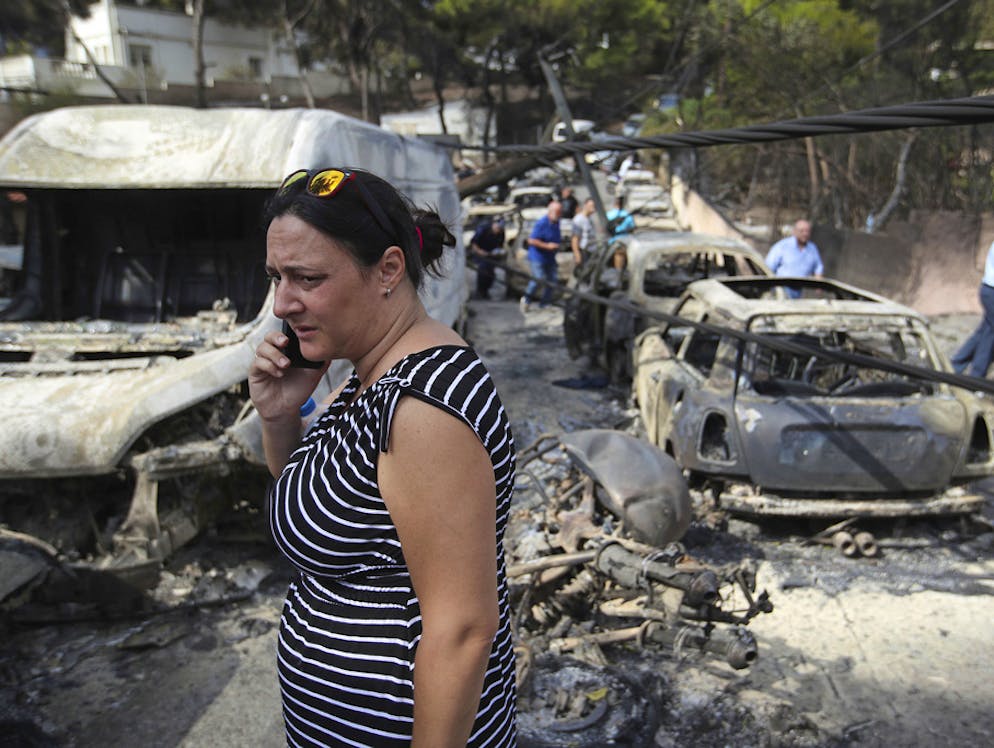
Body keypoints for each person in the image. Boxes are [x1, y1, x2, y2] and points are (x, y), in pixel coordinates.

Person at [249, 167, 518, 747]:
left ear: (389, 270)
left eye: (306, 278)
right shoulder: (370, 374)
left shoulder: (421, 406)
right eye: (276, 276)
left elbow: (464, 628)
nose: (281, 303)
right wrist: (279, 415)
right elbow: (326, 506)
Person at [951, 239, 994, 378]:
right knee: (990, 335)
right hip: (992, 291)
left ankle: (955, 366)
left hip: (988, 290)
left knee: (984, 332)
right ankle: (976, 377)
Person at [765, 219, 823, 298]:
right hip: (781, 289)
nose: (805, 234)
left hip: (798, 290)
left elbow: (818, 267)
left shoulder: (812, 249)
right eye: (802, 231)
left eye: (807, 231)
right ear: (794, 231)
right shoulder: (783, 246)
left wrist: (818, 284)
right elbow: (769, 267)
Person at [521, 199, 562, 311]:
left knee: (552, 280)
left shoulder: (556, 223)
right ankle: (526, 300)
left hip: (550, 257)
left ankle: (545, 303)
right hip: (538, 257)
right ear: (551, 211)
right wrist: (547, 246)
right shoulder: (542, 223)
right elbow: (531, 240)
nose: (560, 214)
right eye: (558, 212)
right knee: (537, 279)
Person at [469, 217, 505, 299]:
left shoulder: (501, 233)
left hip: (492, 255)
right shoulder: (483, 229)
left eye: (500, 229)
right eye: (498, 228)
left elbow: (500, 245)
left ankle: (485, 291)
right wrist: (480, 252)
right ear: (494, 224)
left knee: (491, 274)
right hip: (480, 254)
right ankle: (480, 292)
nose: (498, 230)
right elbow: (474, 243)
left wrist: (498, 252)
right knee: (483, 271)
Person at [605, 196, 635, 271]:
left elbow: (605, 228)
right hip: (625, 240)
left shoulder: (609, 214)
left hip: (612, 241)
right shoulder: (627, 215)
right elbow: (632, 227)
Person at [570, 197, 596, 268]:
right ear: (585, 206)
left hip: (591, 251)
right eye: (591, 206)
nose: (593, 208)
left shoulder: (589, 219)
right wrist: (577, 254)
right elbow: (575, 239)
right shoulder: (579, 220)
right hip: (584, 251)